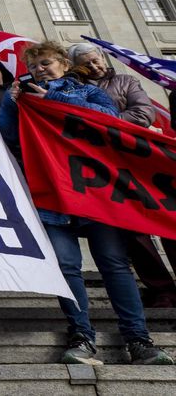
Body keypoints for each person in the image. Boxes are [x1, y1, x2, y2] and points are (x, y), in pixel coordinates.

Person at [0, 40, 172, 365]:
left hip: (95, 192)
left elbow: (109, 117)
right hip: (52, 193)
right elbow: (9, 137)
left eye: (46, 63)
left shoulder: (88, 91)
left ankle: (138, 339)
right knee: (66, 266)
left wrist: (55, 99)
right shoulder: (23, 99)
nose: (39, 70)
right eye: (33, 66)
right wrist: (11, 103)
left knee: (114, 265)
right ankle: (81, 335)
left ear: (64, 64)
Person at [67, 41, 175, 309]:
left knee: (168, 222)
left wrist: (102, 122)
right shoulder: (74, 90)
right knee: (134, 231)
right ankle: (161, 289)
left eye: (96, 60)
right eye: (87, 64)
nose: (94, 66)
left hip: (142, 161)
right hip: (108, 167)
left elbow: (143, 113)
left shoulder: (126, 81)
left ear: (103, 59)